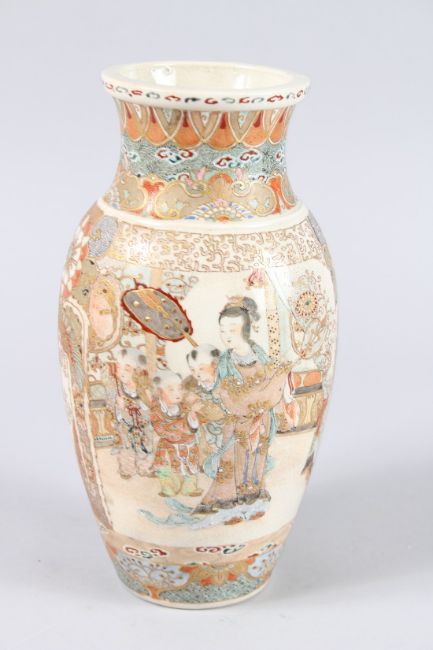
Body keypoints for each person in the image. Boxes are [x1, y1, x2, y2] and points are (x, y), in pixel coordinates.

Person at [195, 296, 298, 519]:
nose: (226, 336)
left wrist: (275, 405)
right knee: (234, 459)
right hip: (237, 421)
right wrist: (215, 389)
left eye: (232, 330)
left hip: (261, 419)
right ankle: (228, 500)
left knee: (257, 456)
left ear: (245, 329)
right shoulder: (225, 361)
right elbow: (221, 391)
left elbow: (271, 382)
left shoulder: (259, 354)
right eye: (222, 331)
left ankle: (254, 493)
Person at [150, 370, 203, 498]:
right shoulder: (156, 411)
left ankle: (189, 488)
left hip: (187, 445)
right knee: (166, 469)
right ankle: (169, 489)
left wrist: (192, 417)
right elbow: (161, 429)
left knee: (190, 467)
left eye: (179, 389)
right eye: (171, 390)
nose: (177, 393)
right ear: (161, 392)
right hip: (168, 446)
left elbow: (194, 426)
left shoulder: (185, 406)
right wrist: (182, 426)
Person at [108, 347, 153, 479]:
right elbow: (115, 412)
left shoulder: (144, 389)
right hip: (126, 425)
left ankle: (144, 467)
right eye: (119, 368)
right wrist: (120, 407)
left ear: (137, 372)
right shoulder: (118, 389)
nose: (121, 372)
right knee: (127, 447)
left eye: (127, 369)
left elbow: (149, 409)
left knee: (147, 447)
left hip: (143, 425)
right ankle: (127, 469)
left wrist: (142, 405)